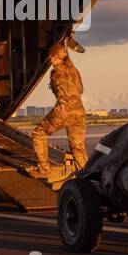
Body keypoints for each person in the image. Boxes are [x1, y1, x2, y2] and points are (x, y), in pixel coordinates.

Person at [26, 42, 87, 182]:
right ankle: (86, 178)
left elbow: (60, 88)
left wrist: (62, 103)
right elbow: (81, 90)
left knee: (38, 133)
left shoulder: (57, 71)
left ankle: (43, 169)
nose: (51, 61)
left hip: (64, 110)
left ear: (54, 57)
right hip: (79, 111)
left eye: (51, 58)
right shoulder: (74, 70)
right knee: (78, 148)